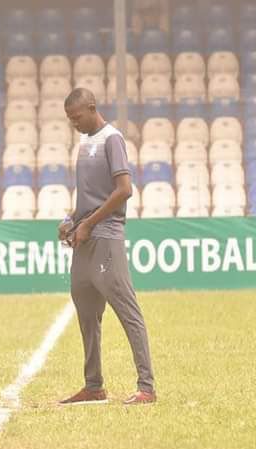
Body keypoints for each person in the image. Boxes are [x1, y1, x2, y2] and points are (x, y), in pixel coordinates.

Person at [58, 88, 156, 405]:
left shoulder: (112, 139)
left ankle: (146, 387)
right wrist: (71, 219)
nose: (74, 124)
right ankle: (94, 386)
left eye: (76, 117)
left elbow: (124, 190)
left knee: (128, 312)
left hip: (106, 238)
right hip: (84, 240)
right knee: (86, 313)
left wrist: (88, 223)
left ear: (92, 108)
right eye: (70, 119)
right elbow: (88, 198)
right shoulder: (85, 142)